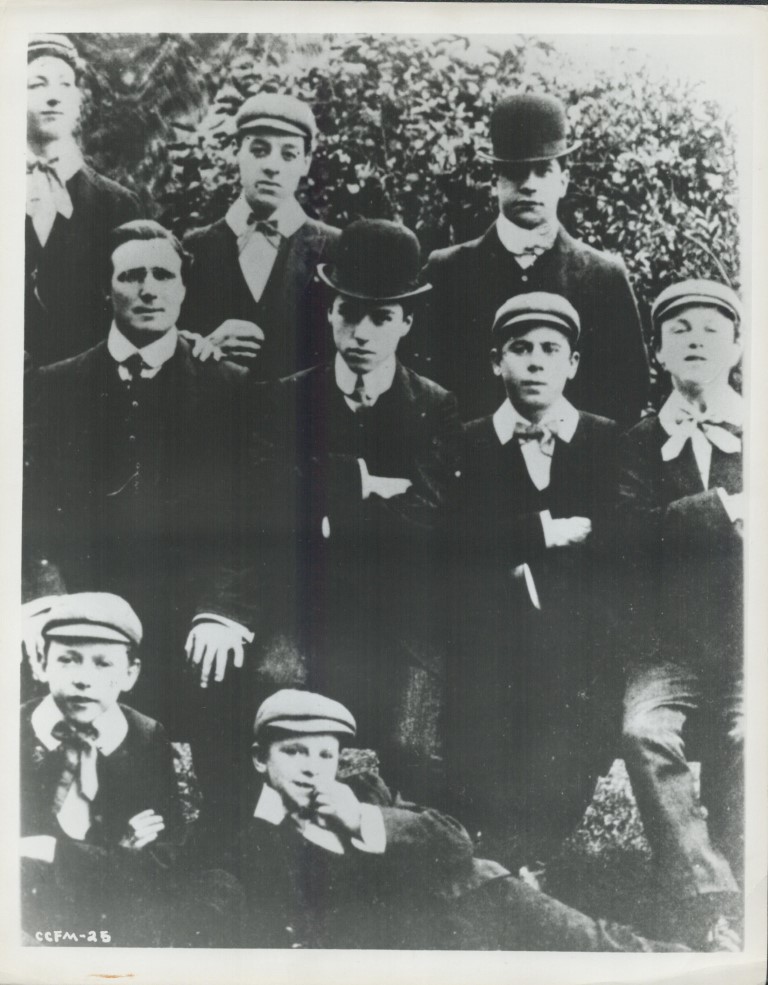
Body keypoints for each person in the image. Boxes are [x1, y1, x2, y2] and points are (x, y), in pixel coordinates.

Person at [190, 219, 460, 824]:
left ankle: (389, 847)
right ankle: (252, 833)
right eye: (349, 314)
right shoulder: (283, 398)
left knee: (415, 746)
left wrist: (322, 495)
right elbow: (267, 507)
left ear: (407, 322)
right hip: (302, 604)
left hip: (398, 614)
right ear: (330, 312)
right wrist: (368, 485)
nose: (361, 333)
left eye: (381, 318)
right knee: (272, 686)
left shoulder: (435, 407)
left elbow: (426, 520)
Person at [208, 687, 689, 950]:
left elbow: (455, 842)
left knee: (603, 947)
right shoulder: (249, 836)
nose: (312, 768)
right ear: (259, 759)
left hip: (477, 896)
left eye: (325, 755)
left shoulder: (363, 791)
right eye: (293, 752)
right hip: (422, 946)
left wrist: (360, 818)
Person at [23, 220, 248, 735]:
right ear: (106, 290)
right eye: (131, 276)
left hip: (186, 607)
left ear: (184, 289)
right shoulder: (56, 385)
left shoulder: (228, 386)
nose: (149, 289)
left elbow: (253, 514)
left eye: (164, 275)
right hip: (80, 599)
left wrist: (221, 611)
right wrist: (42, 599)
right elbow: (28, 506)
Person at [446, 292, 621, 874]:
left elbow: (614, 534)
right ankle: (495, 844)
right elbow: (457, 537)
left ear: (573, 363)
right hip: (490, 629)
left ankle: (538, 848)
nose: (536, 361)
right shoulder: (469, 440)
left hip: (579, 632)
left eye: (551, 349)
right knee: (483, 710)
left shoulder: (605, 439)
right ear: (497, 362)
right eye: (520, 349)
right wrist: (543, 532)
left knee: (570, 723)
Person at [618, 280, 744, 949]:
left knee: (749, 734)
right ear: (659, 352)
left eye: (712, 329)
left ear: (738, 347)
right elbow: (630, 538)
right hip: (669, 648)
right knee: (645, 730)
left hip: (751, 641)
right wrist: (727, 511)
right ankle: (706, 896)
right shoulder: (638, 442)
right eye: (680, 330)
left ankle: (743, 875)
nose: (696, 340)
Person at [413, 92, 648, 423]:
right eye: (514, 172)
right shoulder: (446, 271)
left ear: (563, 181)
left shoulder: (604, 276)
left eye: (543, 171)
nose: (528, 185)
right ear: (494, 182)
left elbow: (627, 394)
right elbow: (419, 385)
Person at [20, 593, 183, 944]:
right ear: (41, 663)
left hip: (111, 917)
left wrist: (53, 851)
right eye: (68, 660)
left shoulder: (145, 736)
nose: (84, 679)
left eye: (103, 664)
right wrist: (120, 853)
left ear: (130, 674)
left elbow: (162, 856)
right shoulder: (16, 730)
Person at [180, 92, 340, 378]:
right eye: (259, 150)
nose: (272, 166)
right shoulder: (193, 247)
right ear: (236, 151)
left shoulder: (336, 248)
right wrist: (202, 347)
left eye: (288, 154)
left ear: (305, 163)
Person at [26, 33, 141, 366]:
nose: (53, 97)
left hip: (90, 386)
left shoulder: (118, 205)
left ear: (77, 100)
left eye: (65, 85)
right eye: (37, 85)